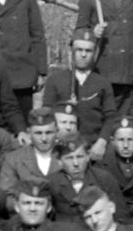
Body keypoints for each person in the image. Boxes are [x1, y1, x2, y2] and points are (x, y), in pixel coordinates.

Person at [40, 28, 120, 160]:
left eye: (88, 51)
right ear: (71, 51)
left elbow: (110, 117)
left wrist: (102, 142)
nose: (83, 54)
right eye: (79, 50)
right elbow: (47, 114)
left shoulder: (102, 83)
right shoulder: (55, 80)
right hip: (62, 147)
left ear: (95, 54)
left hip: (93, 148)